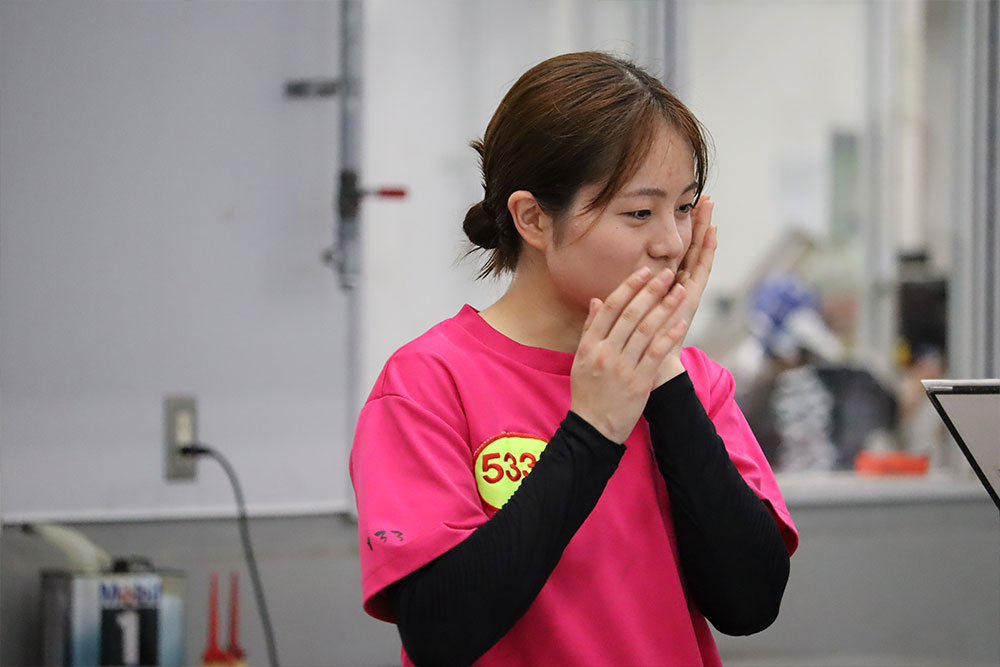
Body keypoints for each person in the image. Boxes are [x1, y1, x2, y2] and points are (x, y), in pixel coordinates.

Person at [351, 51, 799, 667]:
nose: (671, 243)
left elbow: (748, 604)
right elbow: (440, 631)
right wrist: (592, 430)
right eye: (638, 213)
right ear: (533, 218)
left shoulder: (695, 381)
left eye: (684, 207)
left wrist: (661, 377)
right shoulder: (429, 382)